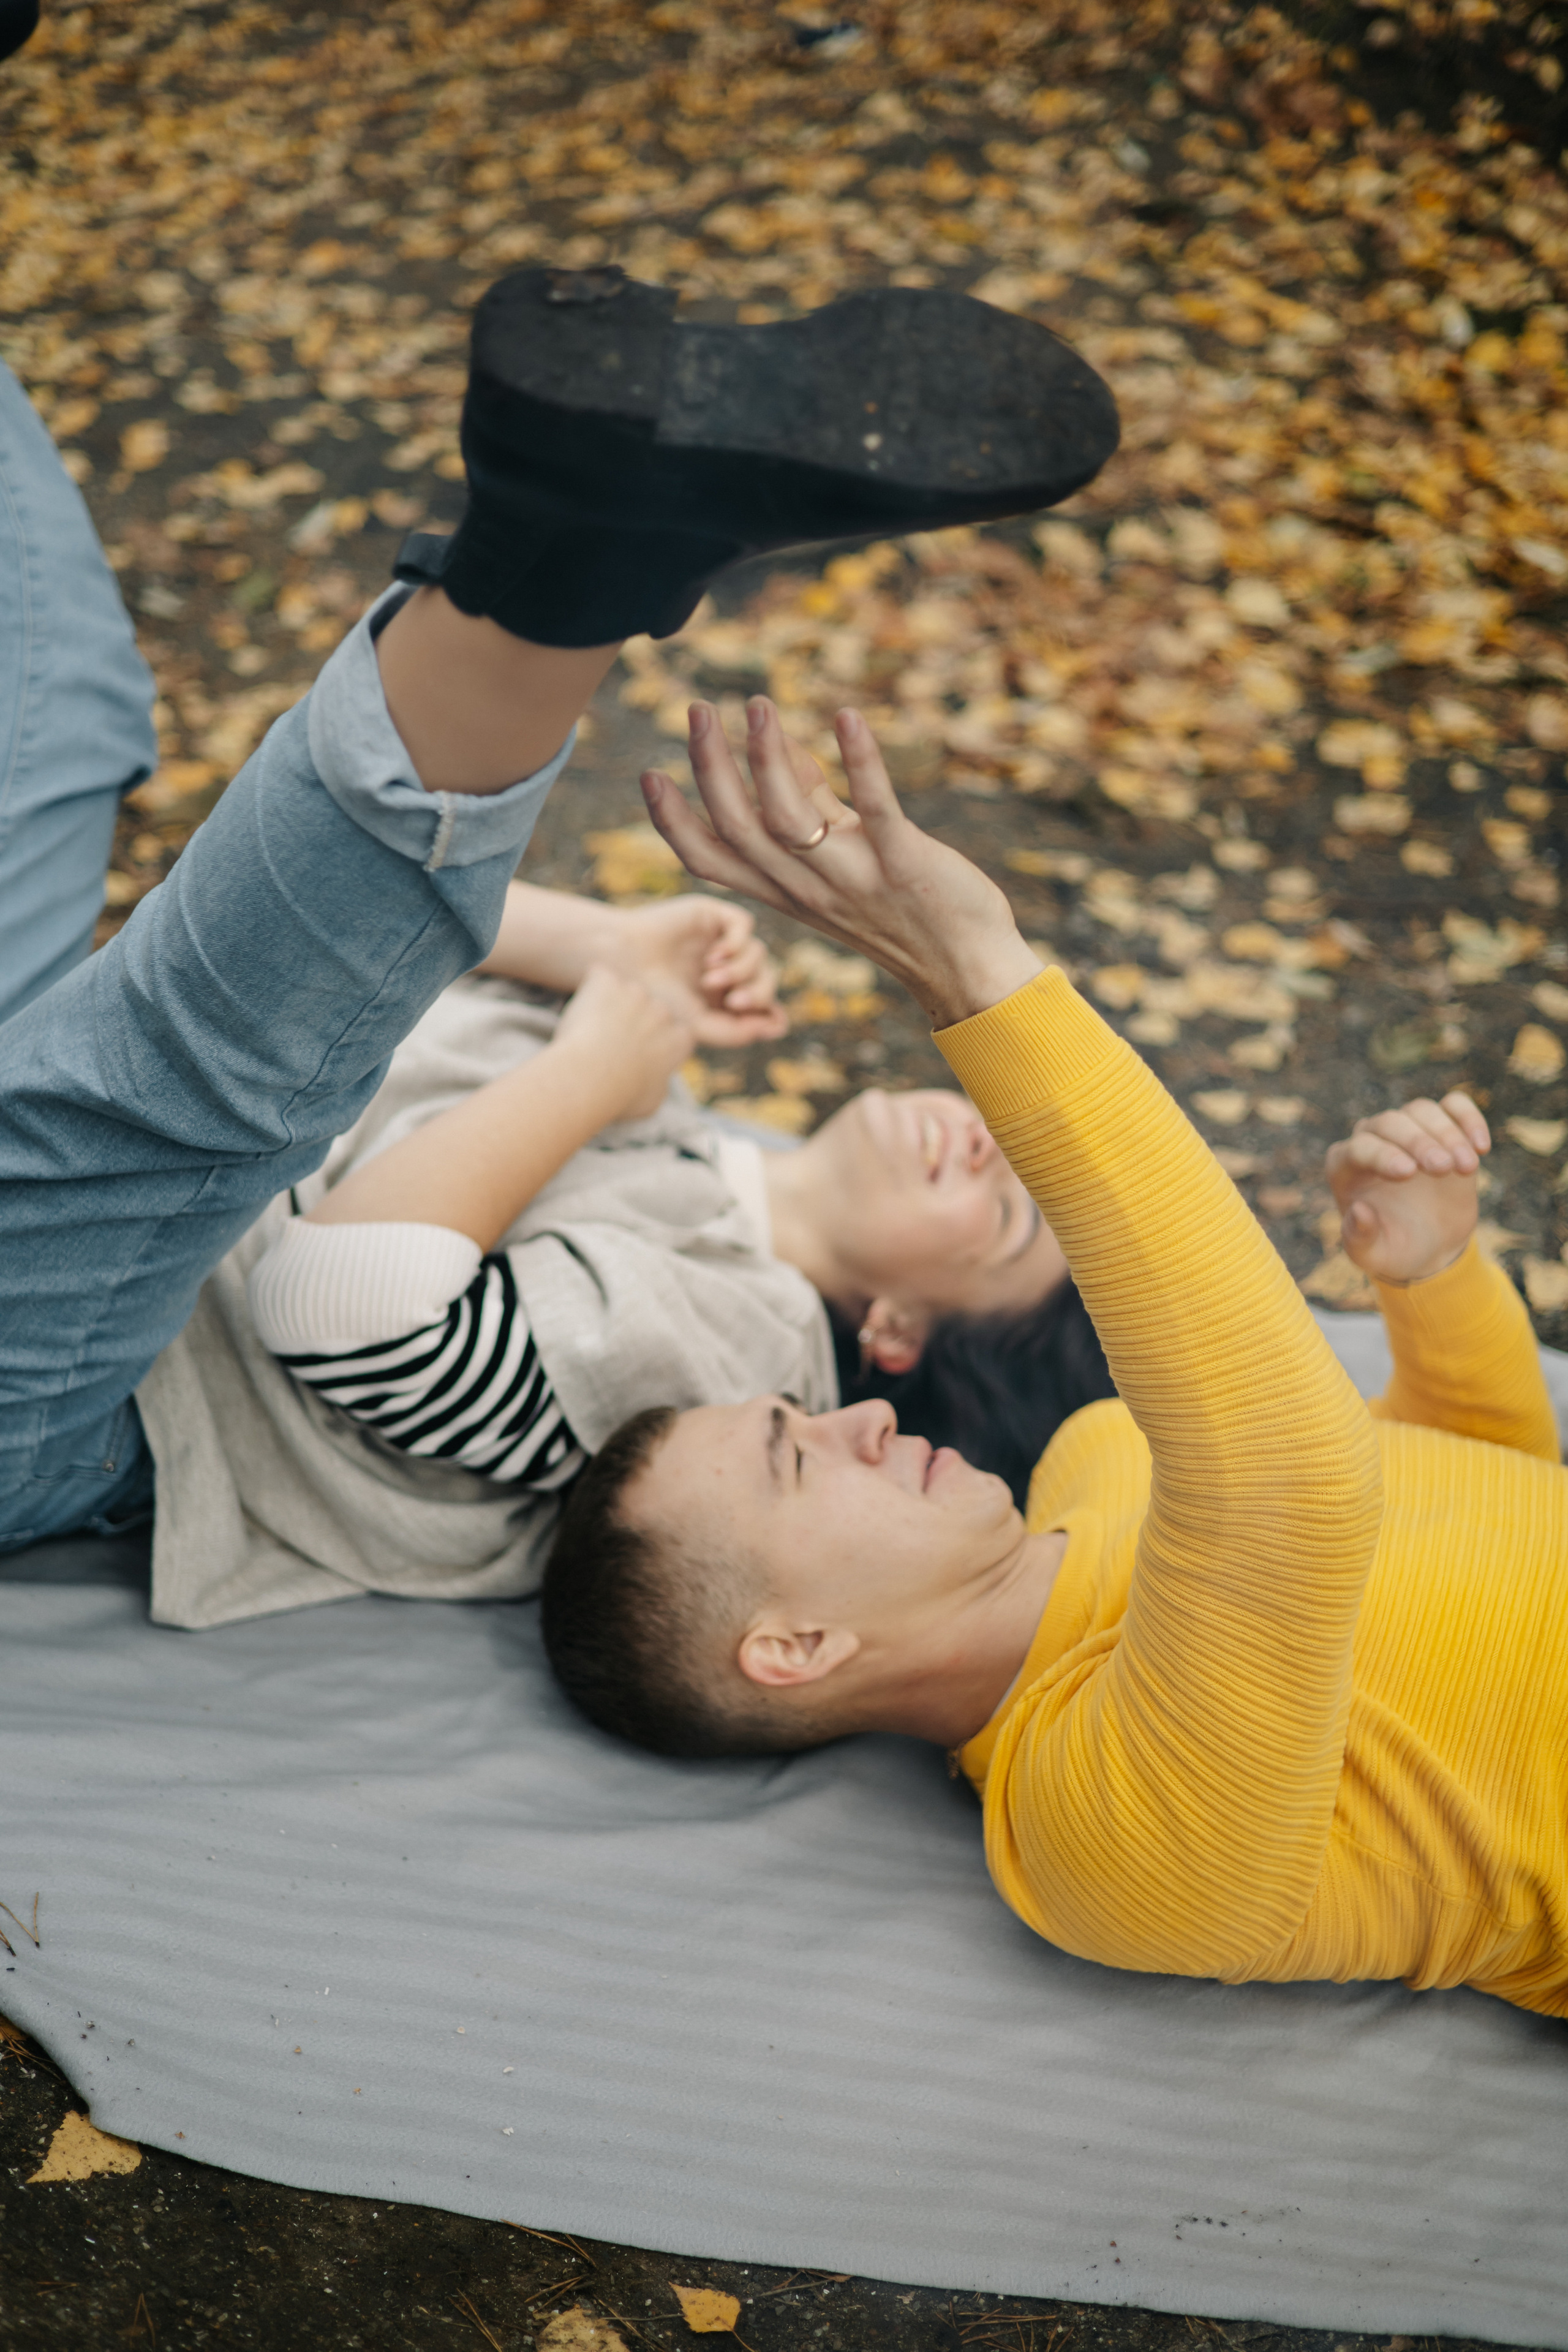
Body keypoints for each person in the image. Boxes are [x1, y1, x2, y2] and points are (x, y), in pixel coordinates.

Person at [0, 258, 1121, 1569]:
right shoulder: (673, 1124)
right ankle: (575, 554)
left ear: (895, 1333)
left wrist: (595, 1063)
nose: (986, 1146)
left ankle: (569, 565)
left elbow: (340, 1305)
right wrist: (606, 951)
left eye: (1004, 1216)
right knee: (65, 704)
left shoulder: (739, 1362)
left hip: (71, 1386)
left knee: (212, 1076)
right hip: (62, 1130)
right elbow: (378, 978)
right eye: (1018, 1153)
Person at [540, 695, 1568, 2022]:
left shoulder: (1106, 1448)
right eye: (796, 1459)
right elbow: (1295, 1490)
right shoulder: (1092, 1842)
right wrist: (973, 972)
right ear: (794, 1645)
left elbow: (1479, 1483)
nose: (860, 1419)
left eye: (811, 1414)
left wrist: (1430, 1280)